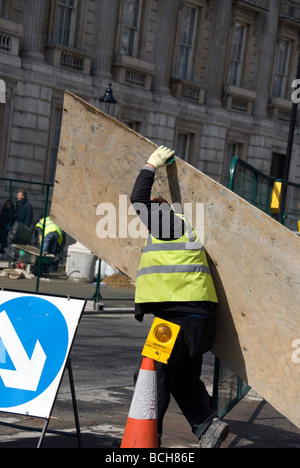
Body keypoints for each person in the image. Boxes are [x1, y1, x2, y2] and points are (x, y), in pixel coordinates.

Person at [130, 145, 229, 448]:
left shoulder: (168, 225)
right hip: (200, 321)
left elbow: (137, 199)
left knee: (150, 376)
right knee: (182, 378)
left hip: (177, 321)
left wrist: (151, 165)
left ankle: (145, 442)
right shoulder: (185, 231)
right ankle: (208, 426)